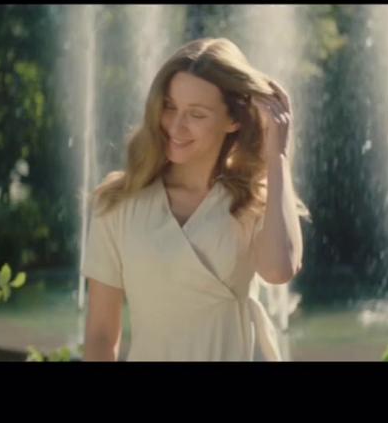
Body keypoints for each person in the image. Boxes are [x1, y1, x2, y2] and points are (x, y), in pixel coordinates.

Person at [81, 37, 309, 361]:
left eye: (196, 115)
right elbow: (101, 336)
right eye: (170, 106)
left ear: (233, 120)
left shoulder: (253, 202)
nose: (176, 126)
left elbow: (279, 270)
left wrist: (278, 157)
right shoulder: (118, 202)